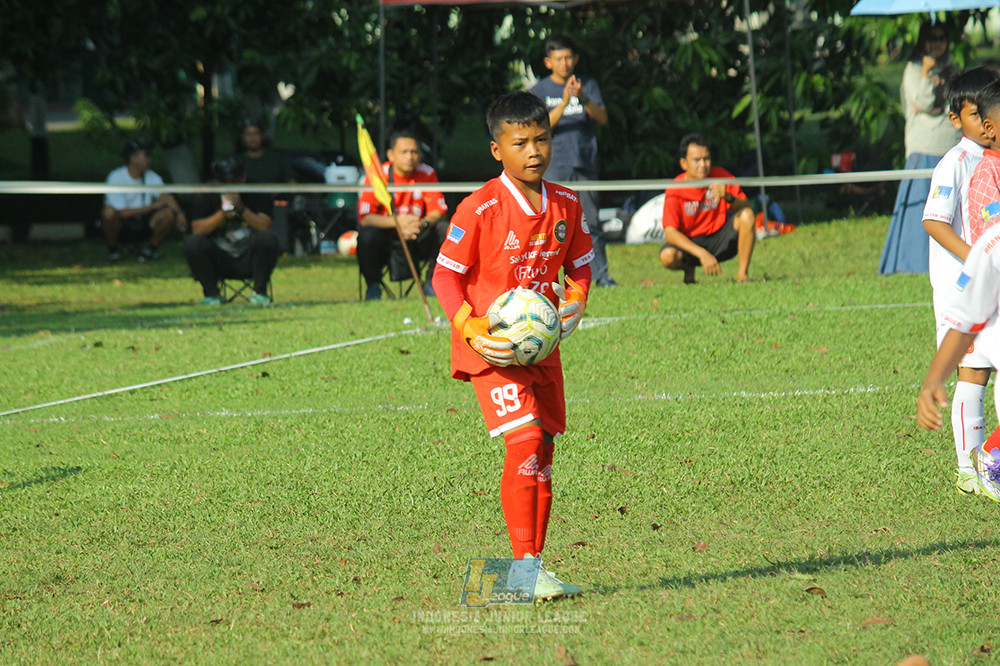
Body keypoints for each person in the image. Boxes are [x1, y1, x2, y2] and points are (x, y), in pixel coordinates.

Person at [431, 91, 593, 601]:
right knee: (524, 440)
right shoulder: (479, 207)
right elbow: (445, 275)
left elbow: (581, 263)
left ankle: (533, 569)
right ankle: (523, 570)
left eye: (541, 138)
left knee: (543, 449)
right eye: (519, 142)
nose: (534, 151)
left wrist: (578, 298)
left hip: (541, 349)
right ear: (497, 149)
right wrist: (468, 324)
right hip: (492, 348)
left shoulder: (566, 203)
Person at [921, 67, 999, 495]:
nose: (985, 125)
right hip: (962, 288)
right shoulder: (954, 162)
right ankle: (970, 469)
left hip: (992, 288)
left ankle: (991, 462)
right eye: (976, 115)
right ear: (957, 119)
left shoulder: (993, 159)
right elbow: (935, 221)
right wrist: (981, 260)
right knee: (972, 373)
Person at [529, 34, 617, 288]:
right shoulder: (540, 90)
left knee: (591, 220)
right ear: (548, 62)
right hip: (554, 165)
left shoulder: (587, 85)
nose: (565, 63)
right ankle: (547, 276)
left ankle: (601, 275)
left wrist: (583, 98)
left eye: (569, 57)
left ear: (576, 59)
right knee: (552, 222)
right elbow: (540, 127)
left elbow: (602, 118)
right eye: (559, 59)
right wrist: (566, 102)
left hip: (585, 163)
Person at [879, 21, 961, 275]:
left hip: (951, 147)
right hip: (923, 149)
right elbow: (925, 102)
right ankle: (912, 265)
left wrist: (934, 108)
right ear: (922, 42)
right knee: (919, 210)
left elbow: (955, 107)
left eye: (942, 38)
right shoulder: (913, 71)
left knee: (949, 212)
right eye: (932, 38)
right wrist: (927, 75)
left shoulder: (953, 70)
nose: (937, 43)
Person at [356, 129, 448, 301]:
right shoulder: (378, 175)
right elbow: (366, 217)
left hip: (417, 233)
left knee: (445, 229)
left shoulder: (426, 173)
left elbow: (439, 211)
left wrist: (423, 224)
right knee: (367, 234)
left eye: (414, 152)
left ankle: (432, 283)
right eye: (404, 152)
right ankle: (373, 287)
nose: (410, 157)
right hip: (387, 237)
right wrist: (398, 223)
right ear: (391, 155)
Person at [658, 133, 756, 284]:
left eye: (706, 159)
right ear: (684, 164)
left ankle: (743, 275)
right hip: (691, 244)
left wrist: (728, 197)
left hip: (720, 238)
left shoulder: (721, 176)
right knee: (667, 256)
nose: (703, 165)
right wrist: (701, 253)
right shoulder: (675, 190)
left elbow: (746, 206)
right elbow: (670, 233)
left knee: (747, 216)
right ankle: (688, 270)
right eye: (697, 160)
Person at [183, 157, 279, 306]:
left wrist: (241, 209)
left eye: (235, 181)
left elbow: (266, 226)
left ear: (243, 178)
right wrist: (222, 214)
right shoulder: (205, 192)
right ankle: (211, 294)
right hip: (219, 257)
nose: (230, 186)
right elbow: (197, 229)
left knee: (268, 239)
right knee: (192, 243)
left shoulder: (257, 190)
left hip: (249, 257)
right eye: (224, 182)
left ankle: (260, 292)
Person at [101, 139, 186, 263]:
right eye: (146, 155)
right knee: (108, 212)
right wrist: (154, 206)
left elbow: (166, 197)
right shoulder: (116, 177)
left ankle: (150, 250)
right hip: (123, 223)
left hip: (145, 221)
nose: (150, 158)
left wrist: (179, 213)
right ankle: (114, 250)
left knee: (168, 213)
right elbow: (122, 212)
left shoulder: (152, 176)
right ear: (133, 158)